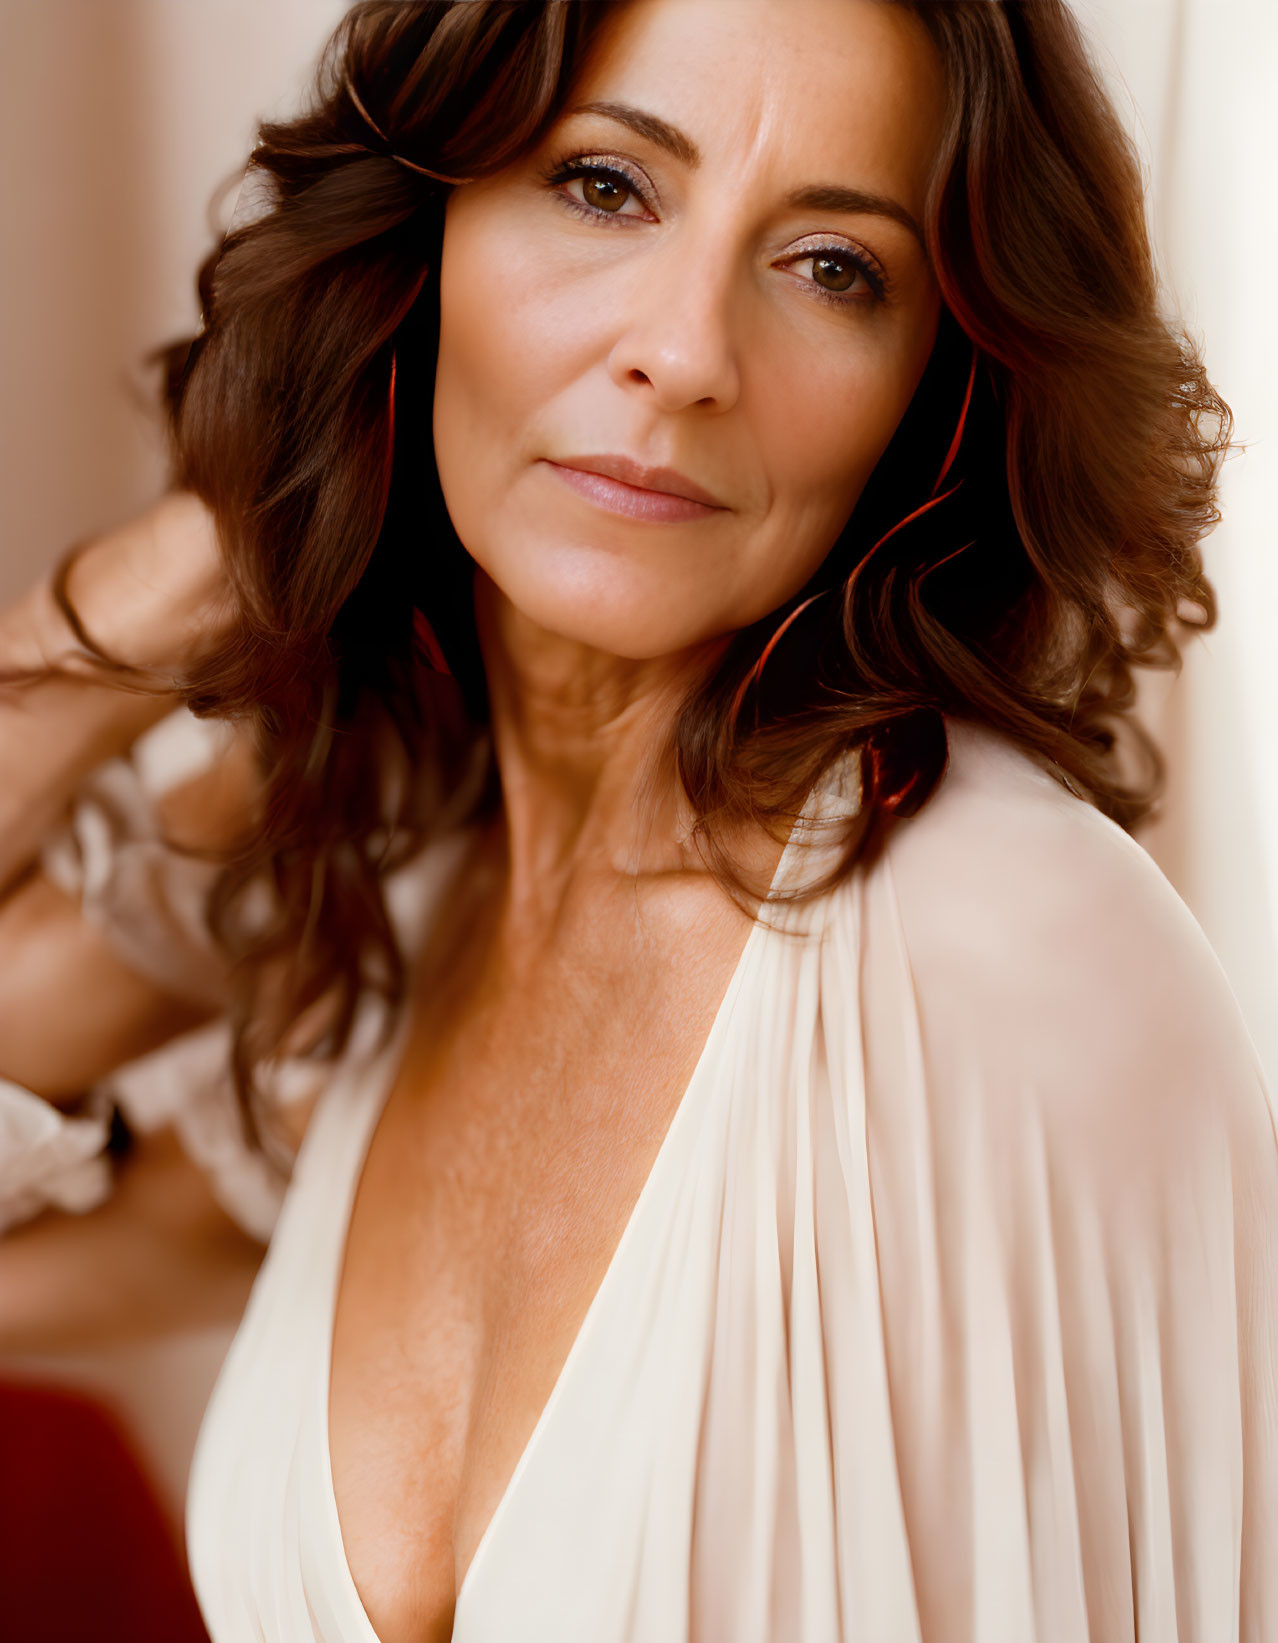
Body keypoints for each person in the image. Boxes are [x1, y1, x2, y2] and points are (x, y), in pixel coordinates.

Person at [1, 1, 1275, 1639]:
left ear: (933, 392)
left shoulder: (999, 945)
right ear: (423, 236)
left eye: (834, 267)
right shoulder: (406, 951)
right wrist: (179, 574)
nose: (683, 352)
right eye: (605, 185)